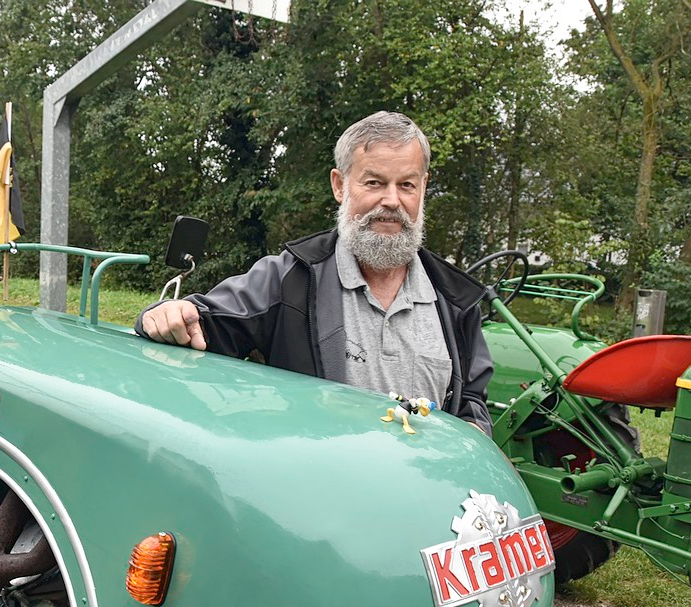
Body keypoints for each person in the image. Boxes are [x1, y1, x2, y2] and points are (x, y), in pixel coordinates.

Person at [136, 110, 492, 434]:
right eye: (374, 183)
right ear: (340, 185)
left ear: (423, 187)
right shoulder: (292, 278)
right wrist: (166, 314)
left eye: (406, 185)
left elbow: (472, 404)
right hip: (317, 492)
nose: (392, 201)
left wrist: (475, 432)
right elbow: (204, 324)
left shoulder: (455, 301)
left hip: (420, 494)